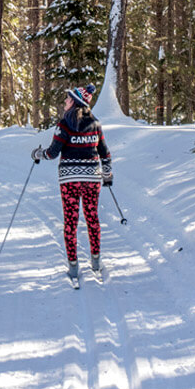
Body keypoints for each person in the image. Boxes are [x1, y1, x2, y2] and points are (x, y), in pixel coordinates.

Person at [33, 84, 113, 281]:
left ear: (75, 102)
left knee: (71, 221)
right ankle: (95, 261)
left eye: (68, 99)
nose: (65, 102)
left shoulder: (63, 125)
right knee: (92, 218)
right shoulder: (96, 124)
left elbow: (52, 153)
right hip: (92, 179)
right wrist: (108, 175)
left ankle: (73, 267)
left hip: (69, 180)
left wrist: (37, 153)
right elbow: (105, 153)